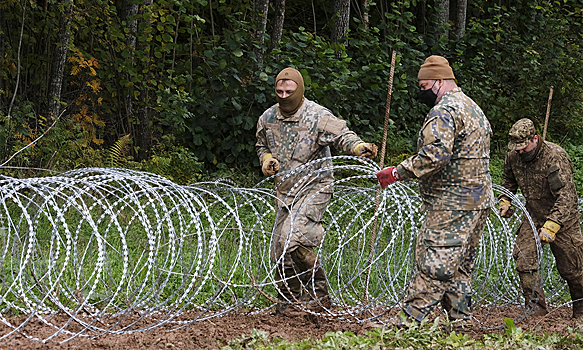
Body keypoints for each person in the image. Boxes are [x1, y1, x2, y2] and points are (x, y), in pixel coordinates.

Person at [376, 55, 494, 323]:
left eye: (424, 86)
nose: (422, 92)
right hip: (478, 197)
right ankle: (460, 319)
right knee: (460, 264)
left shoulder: (444, 111)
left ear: (440, 81)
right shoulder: (473, 108)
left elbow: (435, 156)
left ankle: (411, 320)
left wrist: (398, 172)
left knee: (436, 260)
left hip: (453, 200)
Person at [256, 67, 378, 315]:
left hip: (314, 187)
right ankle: (289, 300)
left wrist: (359, 147)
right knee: (280, 248)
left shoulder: (317, 115)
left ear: (299, 90)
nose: (283, 95)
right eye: (279, 91)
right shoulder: (267, 118)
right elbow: (261, 144)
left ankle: (318, 296)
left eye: (289, 91)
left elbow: (343, 136)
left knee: (293, 236)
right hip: (285, 190)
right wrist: (266, 159)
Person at [498, 118, 583, 318]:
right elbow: (508, 180)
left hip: (563, 217)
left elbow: (567, 196)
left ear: (535, 138)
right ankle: (535, 308)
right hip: (533, 213)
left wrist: (552, 225)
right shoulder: (514, 156)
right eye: (516, 148)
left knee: (572, 267)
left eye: (523, 147)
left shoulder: (555, 156)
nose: (520, 151)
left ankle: (581, 309)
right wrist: (505, 201)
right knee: (524, 258)